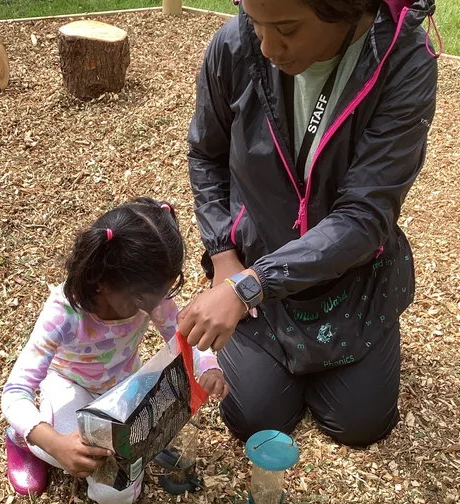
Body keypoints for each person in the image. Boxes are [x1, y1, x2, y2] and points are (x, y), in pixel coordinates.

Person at [180, 0, 438, 446]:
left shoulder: (403, 62)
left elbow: (365, 216)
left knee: (360, 424)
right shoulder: (236, 43)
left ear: (349, 8)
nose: (267, 46)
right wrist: (224, 257)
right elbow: (206, 154)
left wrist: (247, 289)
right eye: (255, 22)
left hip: (349, 277)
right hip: (251, 262)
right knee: (254, 418)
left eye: (286, 28)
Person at [2, 197, 228, 504]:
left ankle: (57, 444)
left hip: (124, 389)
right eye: (141, 300)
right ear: (100, 283)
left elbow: (182, 334)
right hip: (72, 386)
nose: (153, 307)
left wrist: (208, 366)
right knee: (72, 452)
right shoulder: (63, 314)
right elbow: (15, 392)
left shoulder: (148, 296)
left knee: (113, 493)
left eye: (162, 295)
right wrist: (54, 444)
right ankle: (23, 441)